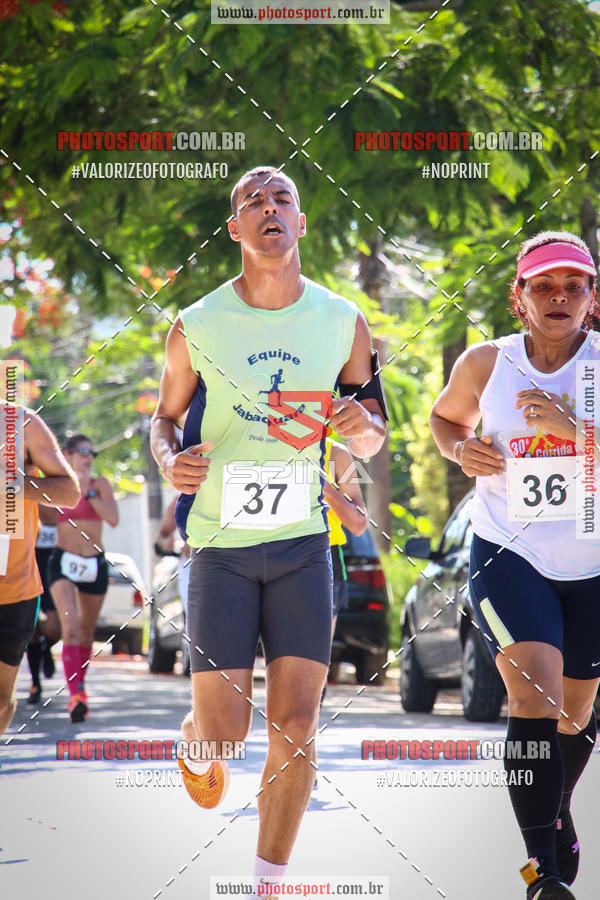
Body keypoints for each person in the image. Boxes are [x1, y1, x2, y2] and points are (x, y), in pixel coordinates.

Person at [151, 166, 387, 894]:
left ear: (301, 222)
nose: (269, 207)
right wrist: (169, 461)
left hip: (302, 547)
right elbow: (163, 420)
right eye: (253, 200)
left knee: (296, 725)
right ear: (236, 229)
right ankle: (196, 739)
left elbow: (374, 431)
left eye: (282, 197)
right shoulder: (196, 323)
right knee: (226, 733)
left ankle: (268, 883)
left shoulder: (343, 320)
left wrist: (360, 424)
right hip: (220, 548)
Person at [430, 231, 600, 899]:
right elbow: (446, 420)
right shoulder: (486, 363)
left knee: (575, 713)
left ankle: (554, 810)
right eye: (543, 286)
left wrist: (573, 432)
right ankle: (541, 871)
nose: (559, 297)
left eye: (574, 286)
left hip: (592, 563)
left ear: (591, 298)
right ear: (520, 297)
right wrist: (460, 449)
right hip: (509, 552)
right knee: (534, 694)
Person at [0, 403, 79, 736]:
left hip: (13, 588)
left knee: (1, 701)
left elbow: (70, 492)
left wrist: (17, 484)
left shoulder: (20, 423)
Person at [47, 434, 119, 723]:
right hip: (63, 562)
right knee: (71, 626)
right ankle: (75, 694)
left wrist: (88, 493)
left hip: (94, 563)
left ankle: (80, 685)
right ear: (67, 454)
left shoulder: (99, 485)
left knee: (87, 632)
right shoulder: (59, 482)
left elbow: (113, 519)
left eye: (92, 453)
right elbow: (42, 514)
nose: (89, 457)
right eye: (83, 451)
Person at [322, 437, 367, 691]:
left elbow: (359, 523)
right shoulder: (257, 439)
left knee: (315, 656)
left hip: (324, 555)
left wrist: (326, 489)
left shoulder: (337, 454)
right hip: (264, 553)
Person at [26, 504, 60, 704]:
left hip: (56, 564)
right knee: (32, 630)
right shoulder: (19, 488)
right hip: (29, 563)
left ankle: (46, 649)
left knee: (56, 629)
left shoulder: (62, 489)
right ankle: (35, 684)